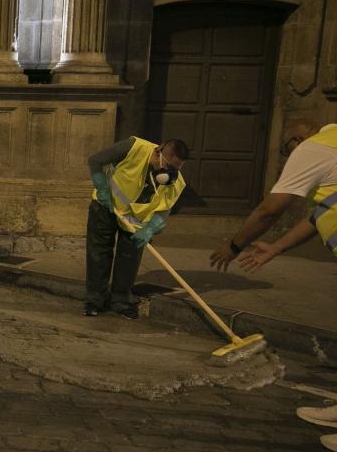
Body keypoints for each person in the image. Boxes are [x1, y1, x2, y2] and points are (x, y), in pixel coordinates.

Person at [209, 118, 337, 273]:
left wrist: (234, 246)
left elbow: (269, 211)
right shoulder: (332, 139)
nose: (289, 155)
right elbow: (317, 217)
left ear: (297, 140)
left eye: (286, 149)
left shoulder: (309, 149)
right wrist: (276, 247)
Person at [85, 136, 190, 318]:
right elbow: (95, 160)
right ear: (159, 153)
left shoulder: (176, 182)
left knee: (129, 260)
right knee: (98, 254)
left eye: (176, 169)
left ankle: (120, 301)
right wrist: (101, 187)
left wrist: (150, 229)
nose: (171, 174)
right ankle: (94, 301)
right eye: (170, 167)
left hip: (134, 221)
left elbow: (164, 210)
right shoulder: (134, 147)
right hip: (106, 205)